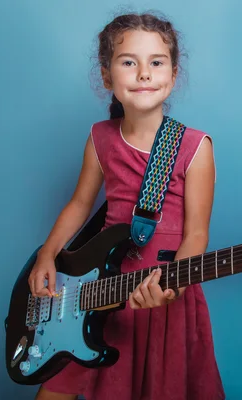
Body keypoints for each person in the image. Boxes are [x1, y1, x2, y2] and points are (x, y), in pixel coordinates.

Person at [27, 11, 226, 400]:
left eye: (156, 62)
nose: (143, 74)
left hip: (163, 293)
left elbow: (197, 232)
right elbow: (80, 204)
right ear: (106, 76)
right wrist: (47, 255)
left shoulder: (195, 147)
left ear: (173, 73)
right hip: (98, 289)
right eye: (128, 62)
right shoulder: (99, 138)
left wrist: (175, 285)